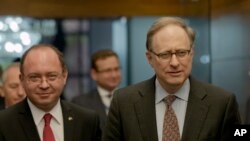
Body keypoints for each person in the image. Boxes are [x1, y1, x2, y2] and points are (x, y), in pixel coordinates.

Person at [102, 17, 241, 141]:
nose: (174, 63)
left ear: (191, 54)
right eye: (165, 54)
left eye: (181, 53)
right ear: (150, 58)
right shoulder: (124, 102)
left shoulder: (222, 103)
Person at [0, 44, 101, 141]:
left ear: (64, 76)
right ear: (22, 80)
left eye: (51, 76)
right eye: (34, 77)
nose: (44, 85)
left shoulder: (87, 121)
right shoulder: (4, 123)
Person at [72, 49, 121, 130]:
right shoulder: (79, 104)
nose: (114, 75)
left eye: (116, 69)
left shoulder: (131, 99)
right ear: (94, 74)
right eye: (108, 70)